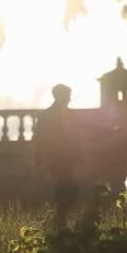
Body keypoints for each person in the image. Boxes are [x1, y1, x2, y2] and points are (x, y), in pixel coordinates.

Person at [34, 84, 84, 225]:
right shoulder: (47, 116)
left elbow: (77, 135)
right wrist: (39, 159)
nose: (69, 98)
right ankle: (58, 219)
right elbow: (39, 138)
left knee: (70, 189)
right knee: (66, 188)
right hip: (56, 158)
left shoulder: (69, 114)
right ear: (59, 96)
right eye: (67, 95)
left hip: (66, 158)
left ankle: (58, 218)